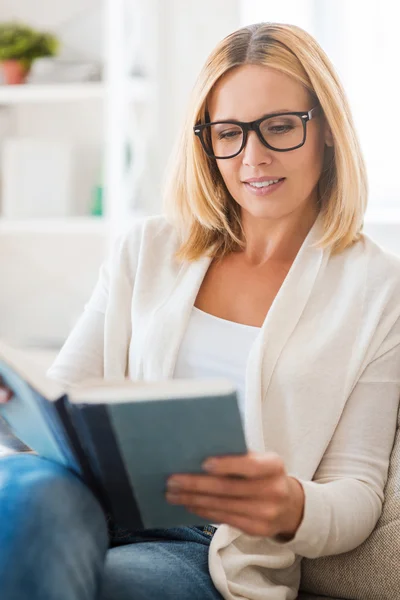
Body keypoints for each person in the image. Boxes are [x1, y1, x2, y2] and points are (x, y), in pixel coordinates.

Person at [1, 21, 400, 600]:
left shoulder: (377, 287)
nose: (252, 157)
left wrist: (290, 504)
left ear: (327, 130)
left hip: (205, 545)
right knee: (23, 498)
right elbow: (66, 395)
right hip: (85, 496)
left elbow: (358, 492)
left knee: (118, 586)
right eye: (229, 133)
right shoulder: (150, 248)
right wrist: (20, 404)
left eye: (281, 127)